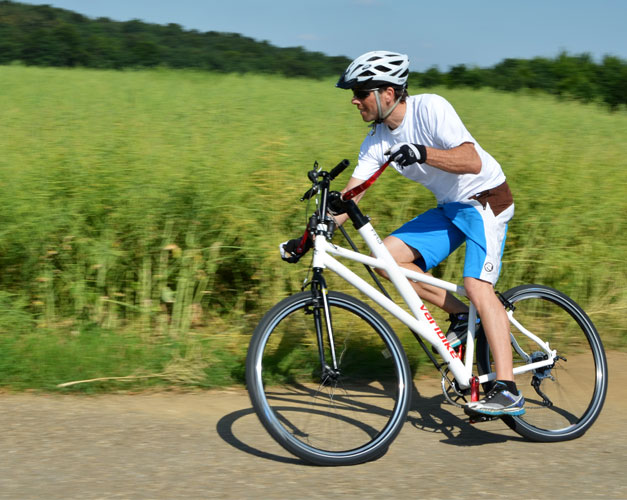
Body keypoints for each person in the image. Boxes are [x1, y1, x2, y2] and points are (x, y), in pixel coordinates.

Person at [282, 51, 524, 417]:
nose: (354, 99)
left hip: (485, 200)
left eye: (361, 92)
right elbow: (350, 198)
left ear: (389, 93)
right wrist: (307, 237)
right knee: (387, 261)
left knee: (477, 286)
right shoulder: (376, 141)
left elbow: (471, 161)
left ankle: (507, 388)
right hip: (451, 207)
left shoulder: (431, 109)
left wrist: (423, 152)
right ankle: (462, 317)